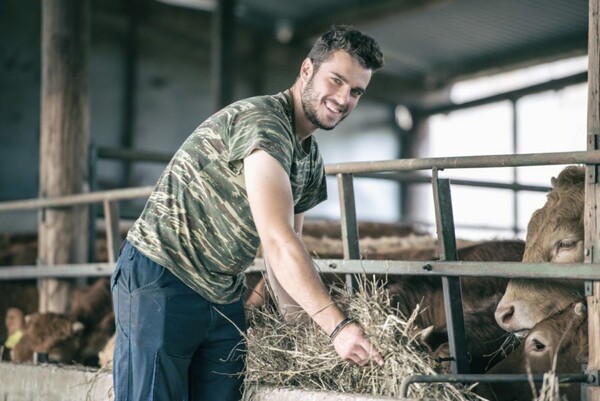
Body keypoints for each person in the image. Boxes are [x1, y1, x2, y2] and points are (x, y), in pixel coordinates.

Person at [111, 24, 385, 401]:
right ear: (307, 70)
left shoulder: (309, 160)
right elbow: (277, 239)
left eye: (356, 91)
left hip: (222, 293)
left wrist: (303, 337)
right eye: (336, 80)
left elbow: (283, 258)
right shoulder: (265, 123)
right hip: (164, 275)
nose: (343, 98)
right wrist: (338, 328)